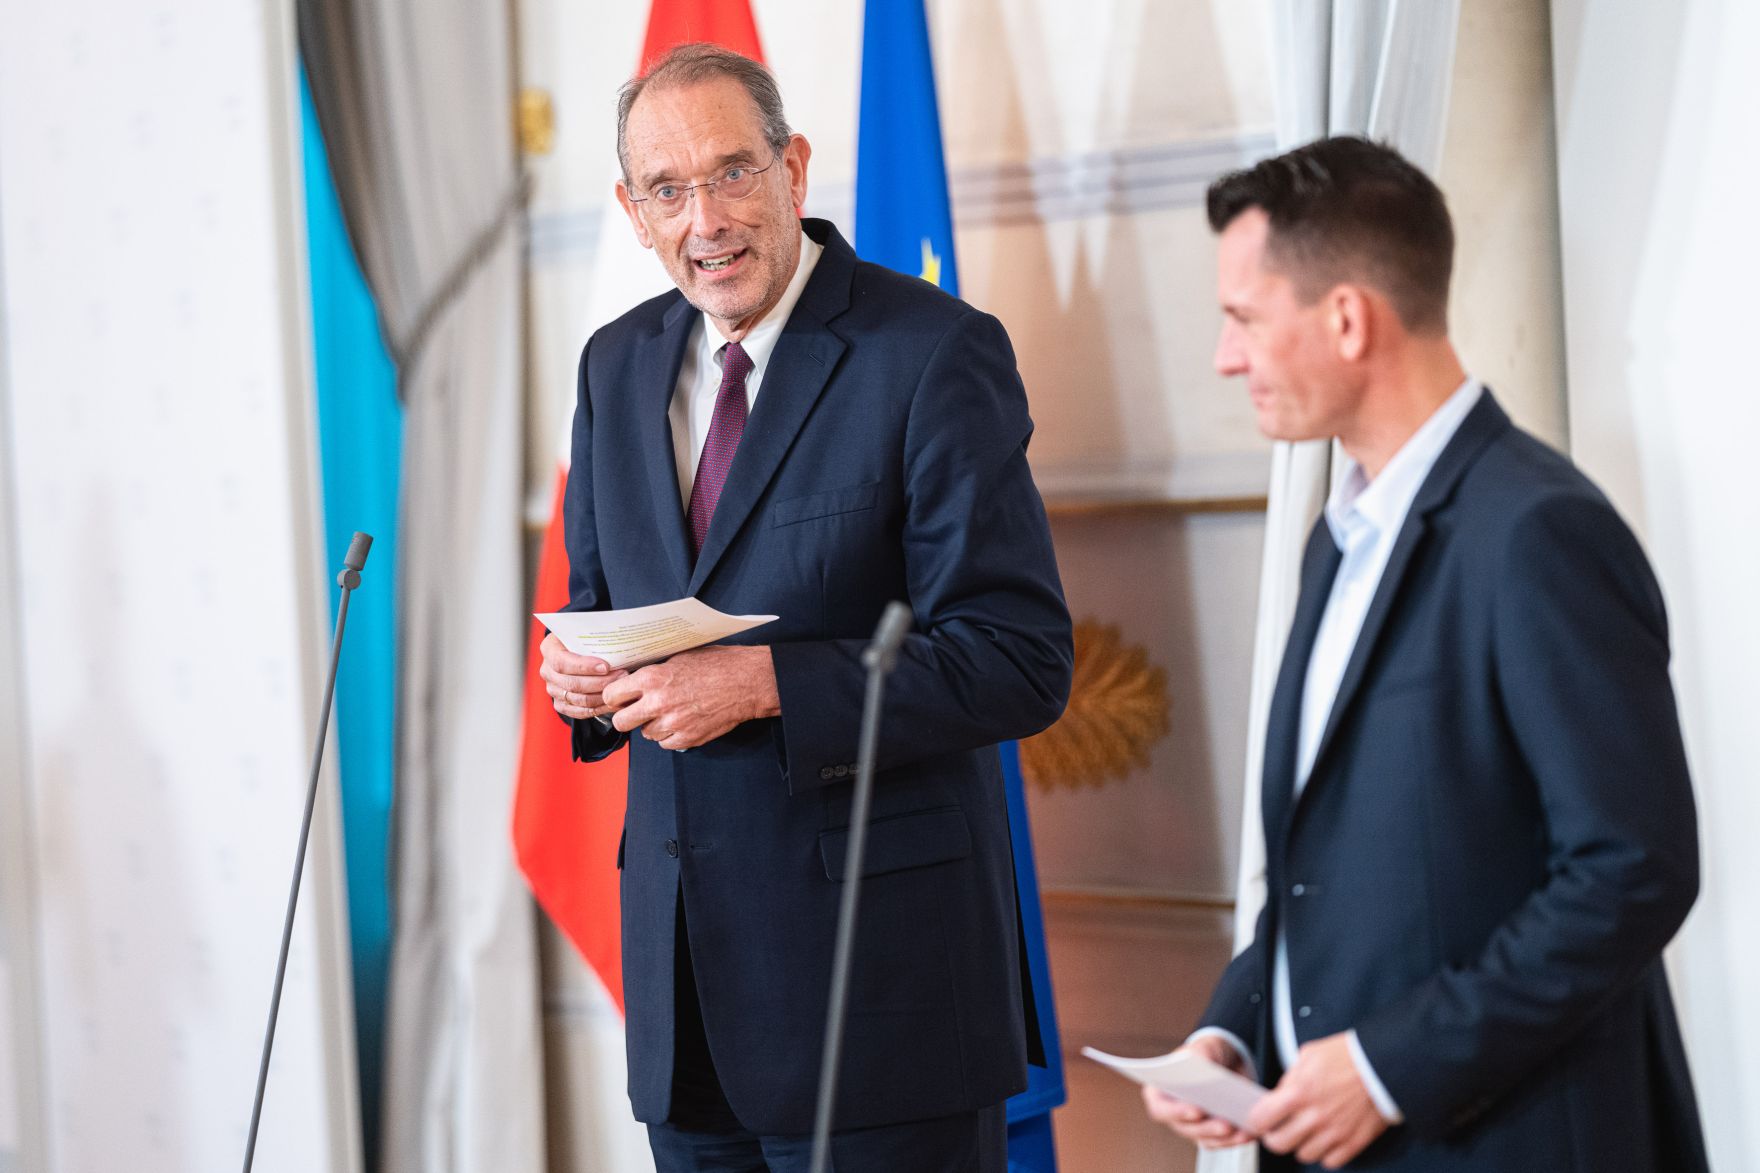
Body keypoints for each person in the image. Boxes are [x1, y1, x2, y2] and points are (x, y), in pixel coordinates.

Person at [536, 43, 1072, 1173]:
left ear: (795, 170)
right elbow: (596, 610)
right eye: (669, 191)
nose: (706, 219)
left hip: (881, 1006)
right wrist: (579, 685)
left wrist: (769, 682)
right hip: (684, 1009)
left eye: (732, 172)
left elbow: (1018, 658)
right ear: (632, 213)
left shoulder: (930, 352)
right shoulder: (612, 368)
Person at [1141, 136, 1708, 1171]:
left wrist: (1387, 1066)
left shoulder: (1537, 532)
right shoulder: (1334, 540)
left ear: (1346, 319)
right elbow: (1319, 877)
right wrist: (1234, 1030)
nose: (1226, 357)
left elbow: (1632, 871)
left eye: (1241, 319)